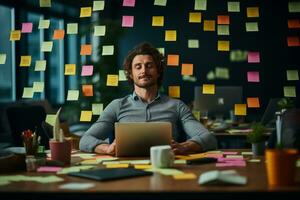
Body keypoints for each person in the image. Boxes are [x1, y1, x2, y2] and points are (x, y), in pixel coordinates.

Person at [79, 42, 217, 155]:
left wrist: (184, 147)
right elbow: (85, 140)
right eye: (138, 67)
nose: (144, 71)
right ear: (131, 74)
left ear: (158, 72)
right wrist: (107, 148)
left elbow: (209, 139)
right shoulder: (117, 105)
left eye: (149, 66)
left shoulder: (177, 105)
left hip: (166, 165)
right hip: (126, 170)